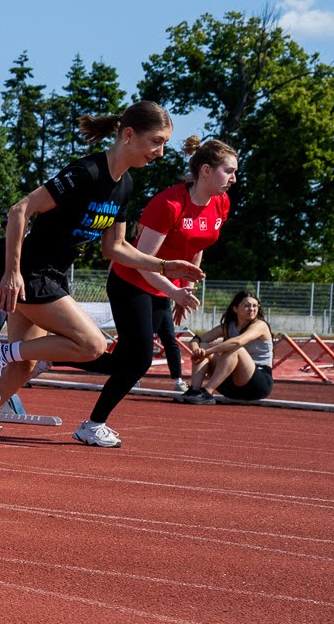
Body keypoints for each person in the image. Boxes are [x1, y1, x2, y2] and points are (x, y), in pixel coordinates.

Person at [0, 100, 206, 464]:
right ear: (129, 135)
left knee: (24, 367)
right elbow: (20, 210)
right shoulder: (87, 173)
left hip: (51, 275)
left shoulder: (123, 186)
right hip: (28, 271)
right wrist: (12, 273)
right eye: (156, 141)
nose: (159, 152)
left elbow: (117, 248)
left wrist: (164, 265)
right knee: (92, 344)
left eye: (164, 144)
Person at [79, 137, 238, 439]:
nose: (233, 179)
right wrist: (175, 291)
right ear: (206, 170)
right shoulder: (168, 204)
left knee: (128, 360)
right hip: (131, 280)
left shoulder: (220, 203)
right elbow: (143, 262)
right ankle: (92, 423)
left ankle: (53, 357)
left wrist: (185, 289)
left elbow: (197, 246)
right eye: (228, 171)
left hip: (163, 286)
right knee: (138, 359)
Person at [183, 290, 274, 403]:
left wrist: (208, 352)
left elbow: (238, 342)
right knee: (203, 345)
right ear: (235, 308)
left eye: (255, 306)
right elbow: (197, 339)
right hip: (230, 385)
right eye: (246, 305)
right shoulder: (228, 326)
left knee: (235, 348)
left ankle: (207, 392)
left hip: (257, 384)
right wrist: (197, 350)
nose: (252, 309)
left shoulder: (260, 325)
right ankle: (194, 391)